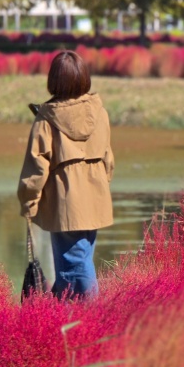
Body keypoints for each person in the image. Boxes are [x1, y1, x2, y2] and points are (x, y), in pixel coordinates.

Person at [17, 50, 114, 299]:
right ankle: (64, 319)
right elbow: (108, 159)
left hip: (65, 201)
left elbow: (36, 165)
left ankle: (92, 318)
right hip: (95, 197)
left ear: (54, 80)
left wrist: (29, 201)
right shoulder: (99, 113)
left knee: (73, 266)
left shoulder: (47, 119)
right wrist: (99, 187)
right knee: (78, 260)